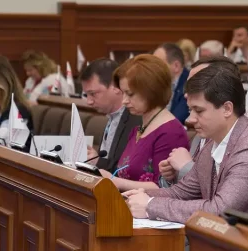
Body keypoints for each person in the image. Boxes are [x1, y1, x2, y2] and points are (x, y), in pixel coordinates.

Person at [123, 66, 248, 241]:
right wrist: (136, 196)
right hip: (231, 245)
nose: (190, 119)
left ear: (227, 109)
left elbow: (219, 211)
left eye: (199, 111)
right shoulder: (212, 141)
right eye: (190, 110)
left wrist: (151, 205)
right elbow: (182, 192)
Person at [100, 55, 189, 191]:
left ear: (150, 91)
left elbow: (163, 188)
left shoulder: (171, 132)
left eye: (130, 94)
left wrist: (114, 181)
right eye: (123, 93)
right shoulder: (138, 128)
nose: (124, 101)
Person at [159, 56, 240, 188]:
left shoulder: (244, 140)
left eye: (197, 85)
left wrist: (185, 167)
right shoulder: (202, 131)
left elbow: (220, 195)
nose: (187, 93)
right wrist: (172, 177)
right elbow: (186, 190)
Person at [79, 59, 142, 173]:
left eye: (93, 94)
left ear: (116, 87)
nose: (89, 101)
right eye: (86, 95)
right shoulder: (112, 116)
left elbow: (127, 168)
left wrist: (98, 161)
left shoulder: (135, 120)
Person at [153, 43, 190, 124]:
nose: (153, 69)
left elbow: (175, 120)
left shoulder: (190, 85)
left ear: (176, 66)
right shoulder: (157, 83)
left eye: (158, 64)